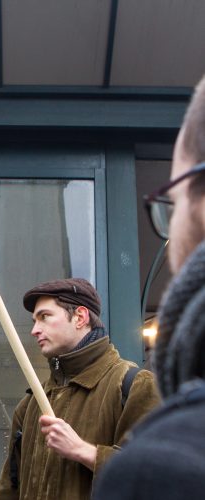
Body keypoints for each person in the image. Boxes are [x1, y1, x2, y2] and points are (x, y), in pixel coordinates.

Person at [93, 75, 205, 499]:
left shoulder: (166, 464)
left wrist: (89, 454)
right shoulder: (37, 399)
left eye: (171, 202)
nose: (34, 328)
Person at [0, 277, 160, 500]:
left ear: (80, 317)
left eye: (44, 317)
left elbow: (158, 476)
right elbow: (9, 489)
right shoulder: (31, 404)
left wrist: (83, 451)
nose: (34, 330)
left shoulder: (134, 386)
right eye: (34, 320)